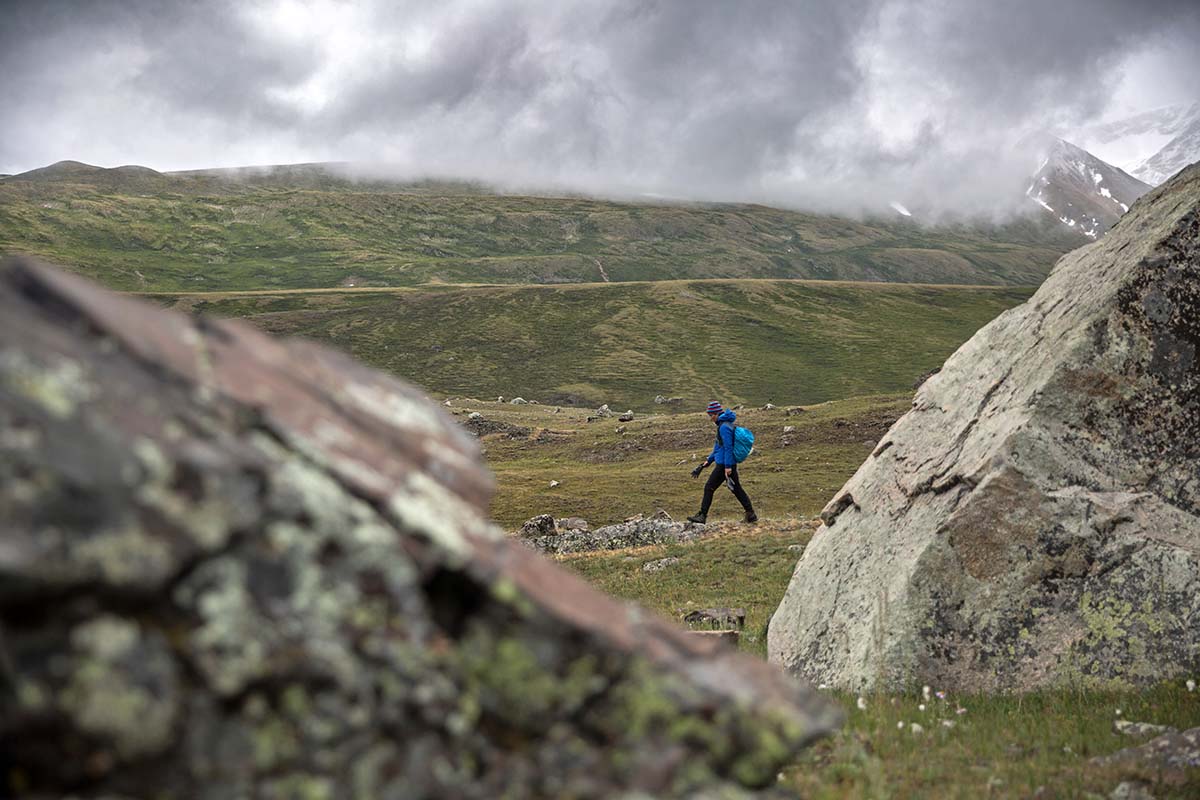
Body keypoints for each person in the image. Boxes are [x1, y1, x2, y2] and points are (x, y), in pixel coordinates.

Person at [688, 401, 756, 524]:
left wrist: (728, 466)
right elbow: (718, 447)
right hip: (725, 463)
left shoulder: (724, 427)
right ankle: (750, 514)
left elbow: (728, 447)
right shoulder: (724, 425)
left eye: (711, 415)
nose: (710, 418)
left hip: (724, 465)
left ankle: (702, 516)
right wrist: (707, 461)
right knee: (736, 489)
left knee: (709, 487)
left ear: (716, 414)